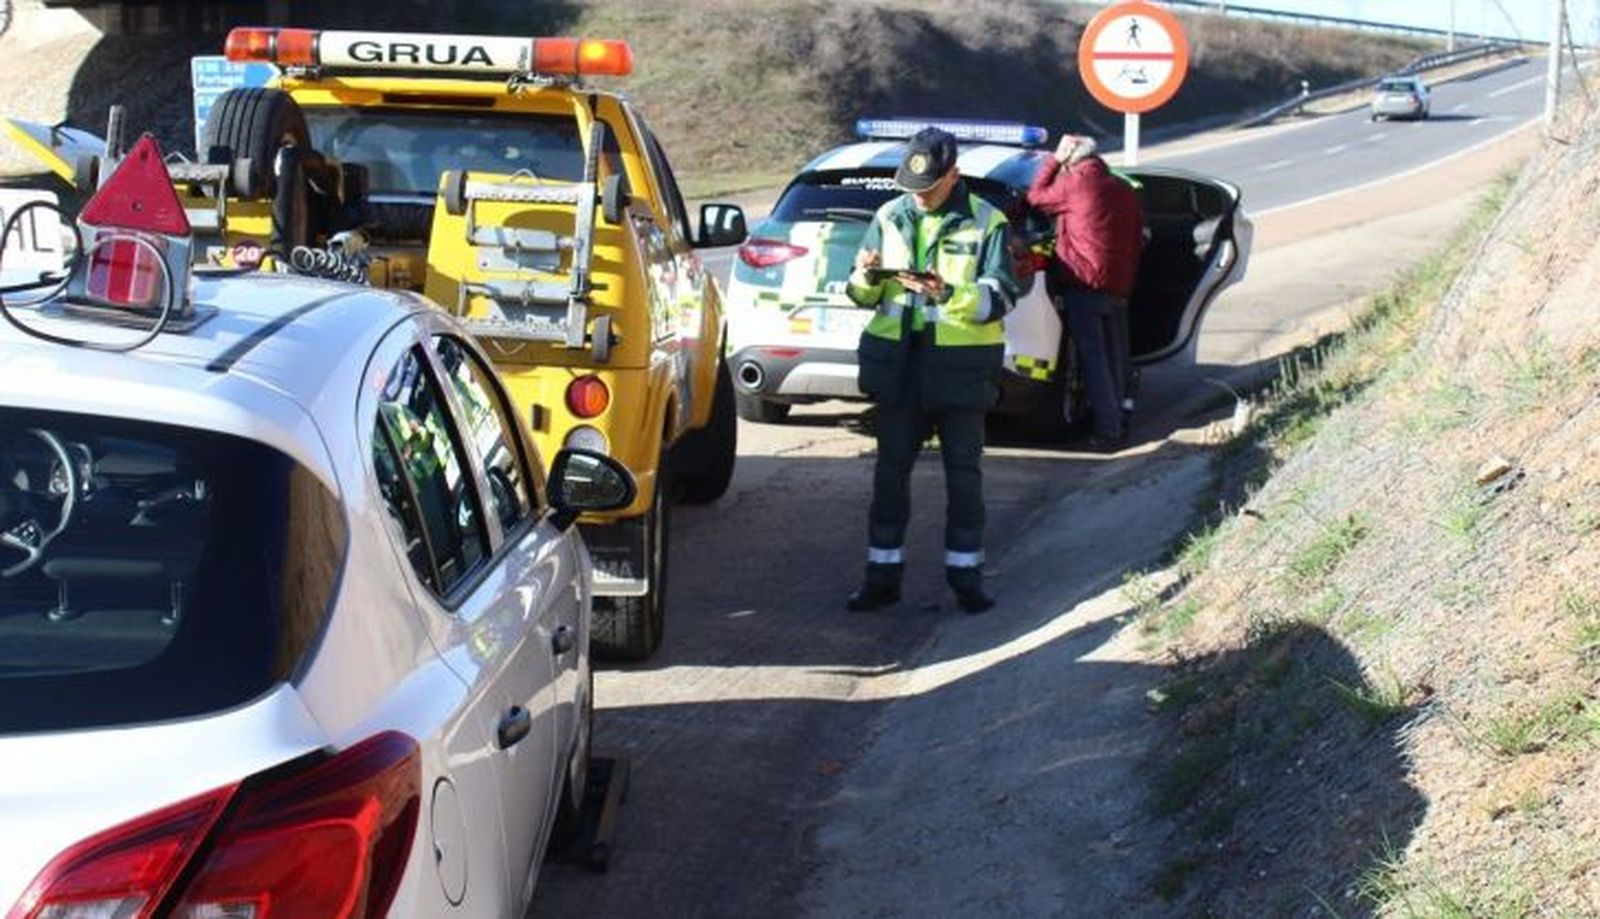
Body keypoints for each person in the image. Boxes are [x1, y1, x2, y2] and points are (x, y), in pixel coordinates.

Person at [843, 127, 1022, 614]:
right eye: (912, 188)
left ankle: (966, 577)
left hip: (960, 370)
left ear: (953, 177)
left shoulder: (988, 222)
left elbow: (1001, 297)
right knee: (889, 476)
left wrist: (949, 294)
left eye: (928, 189)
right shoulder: (889, 215)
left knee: (963, 477)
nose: (918, 198)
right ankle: (882, 577)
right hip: (900, 368)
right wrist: (864, 275)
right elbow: (861, 295)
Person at [1025, 134, 1143, 450]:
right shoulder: (1123, 189)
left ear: (1072, 158)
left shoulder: (1076, 183)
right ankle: (1119, 422)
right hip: (1118, 285)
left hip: (1083, 282)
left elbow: (1035, 197)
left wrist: (1053, 161)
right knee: (1116, 359)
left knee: (1094, 361)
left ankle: (1108, 432)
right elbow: (1136, 239)